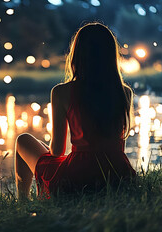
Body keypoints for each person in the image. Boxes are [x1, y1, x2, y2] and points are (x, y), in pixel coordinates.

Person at [15, 22, 136, 198]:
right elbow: (118, 147)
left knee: (24, 140)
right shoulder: (124, 92)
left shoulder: (61, 92)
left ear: (77, 55)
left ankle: (23, 201)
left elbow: (57, 150)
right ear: (111, 56)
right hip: (118, 176)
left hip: (78, 178)